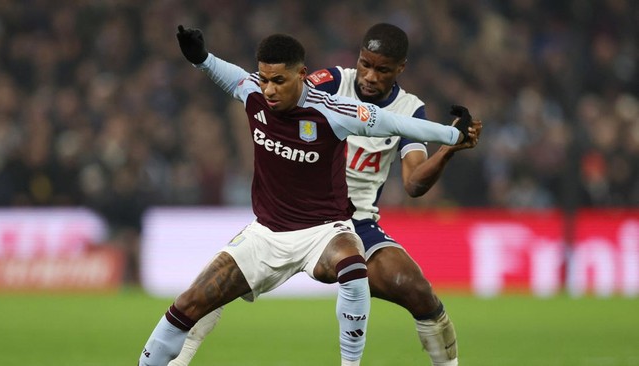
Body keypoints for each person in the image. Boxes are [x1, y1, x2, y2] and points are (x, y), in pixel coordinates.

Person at [140, 25, 475, 366]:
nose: (370, 76)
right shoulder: (326, 82)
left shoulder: (407, 109)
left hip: (349, 219)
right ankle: (176, 360)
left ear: (400, 68)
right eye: (365, 64)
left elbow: (414, 183)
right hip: (282, 215)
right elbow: (271, 86)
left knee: (413, 288)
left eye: (382, 69)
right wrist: (203, 59)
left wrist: (449, 144)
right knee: (206, 292)